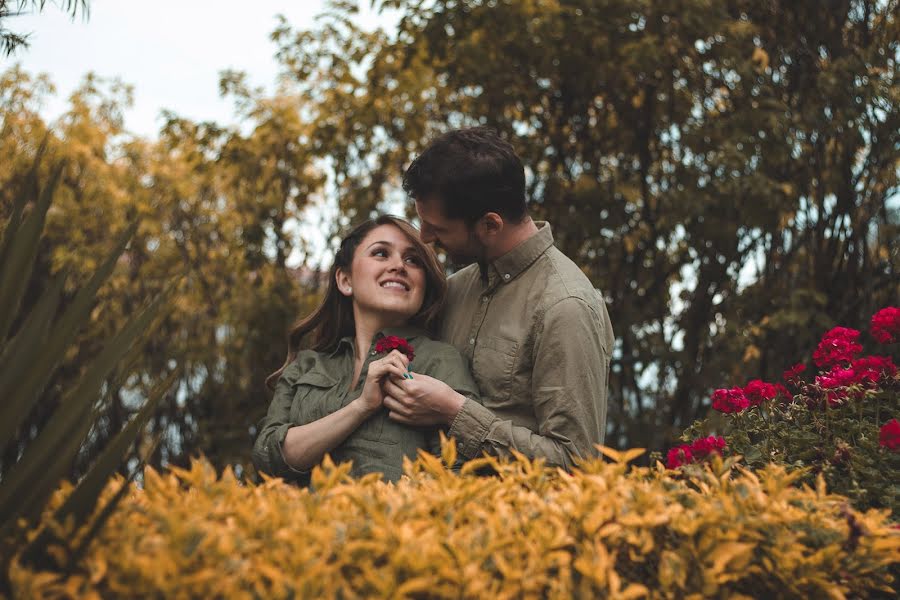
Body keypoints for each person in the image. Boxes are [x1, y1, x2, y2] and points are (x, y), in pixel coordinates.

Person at [382, 127, 615, 471]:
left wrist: (455, 411)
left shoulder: (565, 306)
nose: (425, 238)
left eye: (439, 229)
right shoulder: (456, 289)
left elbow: (576, 464)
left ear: (490, 225)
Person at [252, 216, 479, 484]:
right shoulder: (307, 366)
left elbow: (463, 475)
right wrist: (361, 407)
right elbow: (266, 458)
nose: (398, 266)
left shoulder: (441, 361)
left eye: (413, 260)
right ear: (345, 280)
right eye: (381, 253)